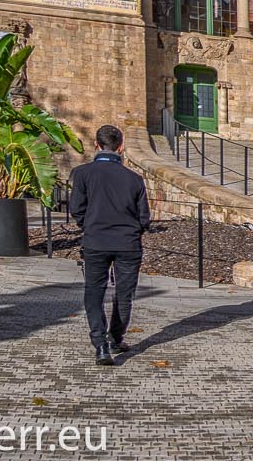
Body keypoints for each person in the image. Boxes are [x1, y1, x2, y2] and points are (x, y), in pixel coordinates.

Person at [67, 123, 152, 365]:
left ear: (96, 145)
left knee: (94, 293)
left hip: (96, 241)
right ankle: (116, 337)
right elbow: (144, 217)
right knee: (124, 294)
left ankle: (100, 343)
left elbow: (77, 209)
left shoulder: (83, 174)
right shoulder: (135, 179)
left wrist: (89, 226)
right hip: (128, 243)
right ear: (121, 147)